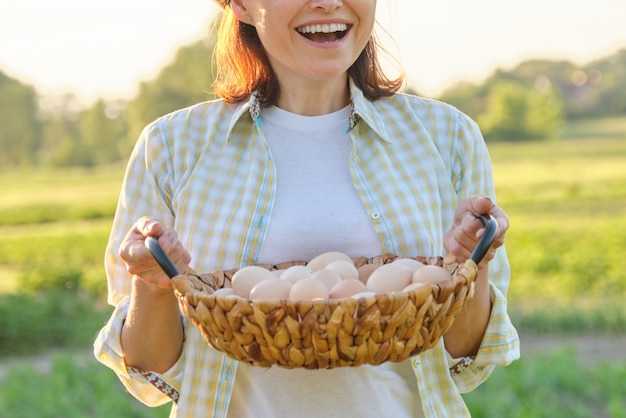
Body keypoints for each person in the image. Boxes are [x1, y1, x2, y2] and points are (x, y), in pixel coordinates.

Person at [94, 0, 520, 416]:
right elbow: (149, 368)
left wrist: (471, 263)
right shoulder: (173, 147)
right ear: (239, 5)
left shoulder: (446, 137)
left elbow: (465, 359)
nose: (327, 3)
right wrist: (152, 284)